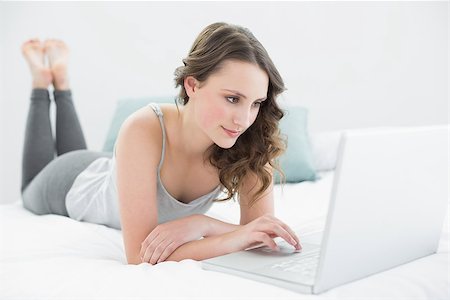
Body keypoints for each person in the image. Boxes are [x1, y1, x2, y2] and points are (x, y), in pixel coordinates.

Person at [21, 22, 302, 265]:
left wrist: (200, 224)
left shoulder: (251, 142)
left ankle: (59, 82)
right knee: (29, 186)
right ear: (192, 85)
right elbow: (139, 255)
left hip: (114, 167)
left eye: (256, 103)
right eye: (232, 99)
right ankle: (44, 83)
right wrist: (222, 232)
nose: (244, 119)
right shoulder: (143, 127)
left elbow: (260, 234)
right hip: (70, 182)